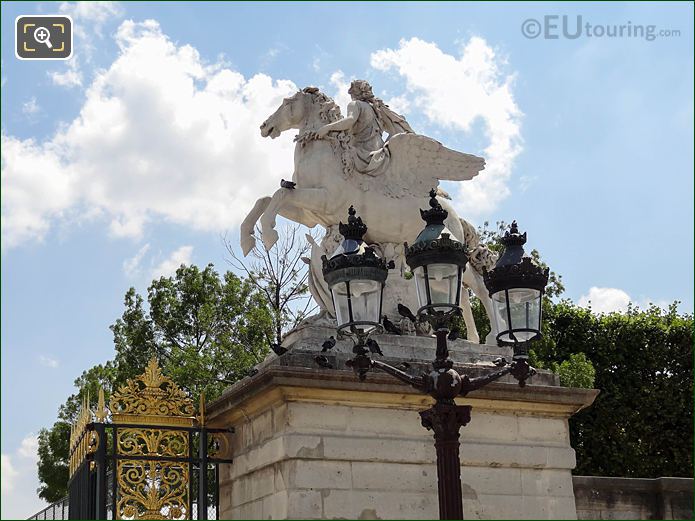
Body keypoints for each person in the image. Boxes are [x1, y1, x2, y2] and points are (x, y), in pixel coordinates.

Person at [316, 80, 413, 176]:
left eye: (351, 93)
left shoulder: (355, 104)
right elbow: (393, 131)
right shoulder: (376, 109)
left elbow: (350, 120)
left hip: (363, 155)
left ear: (355, 93)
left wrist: (328, 127)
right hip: (381, 155)